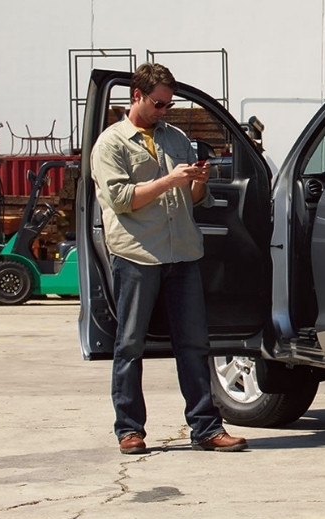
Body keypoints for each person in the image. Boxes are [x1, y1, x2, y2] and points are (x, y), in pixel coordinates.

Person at [91, 63, 248, 454]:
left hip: (182, 253)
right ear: (137, 96)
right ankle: (129, 429)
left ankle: (206, 429)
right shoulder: (111, 144)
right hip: (138, 255)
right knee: (129, 345)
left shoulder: (175, 137)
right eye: (159, 104)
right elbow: (122, 200)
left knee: (195, 345)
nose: (165, 111)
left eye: (169, 104)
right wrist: (168, 181)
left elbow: (195, 201)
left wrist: (197, 183)